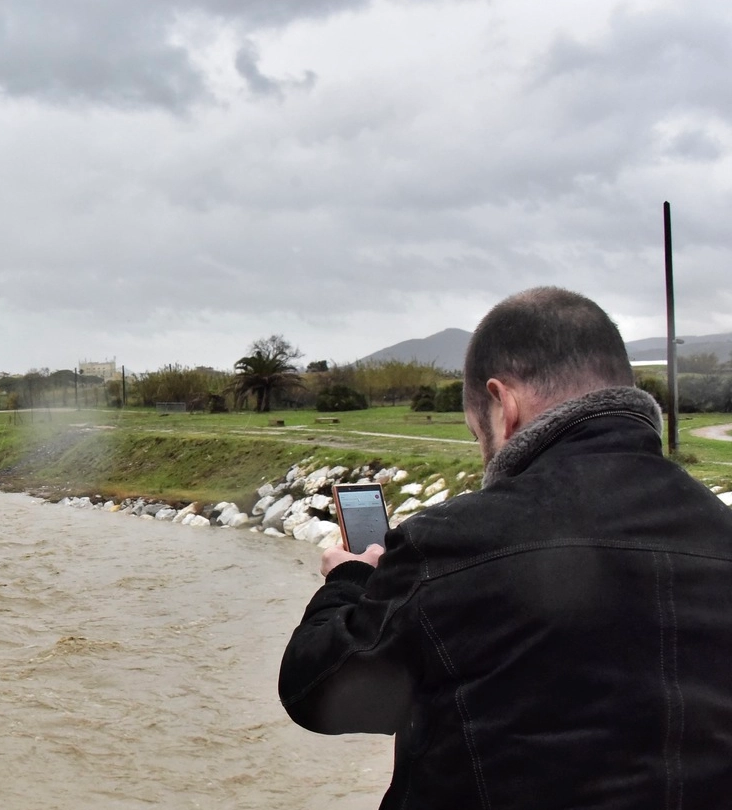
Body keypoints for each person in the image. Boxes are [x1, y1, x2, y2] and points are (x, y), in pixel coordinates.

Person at [278, 287, 732, 809]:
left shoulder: (449, 545)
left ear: (503, 404)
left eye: (478, 434)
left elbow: (318, 693)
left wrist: (351, 581)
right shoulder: (721, 532)